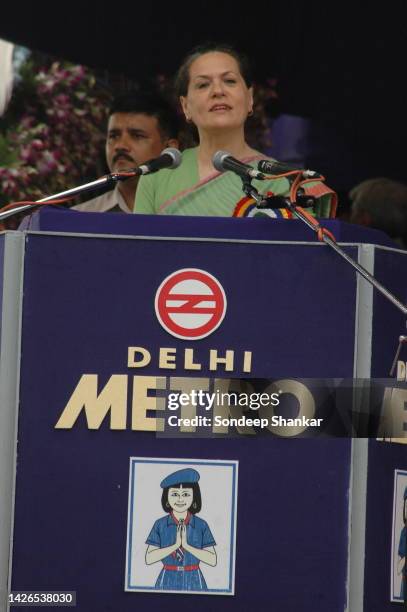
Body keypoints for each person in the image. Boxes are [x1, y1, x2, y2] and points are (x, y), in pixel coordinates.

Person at [134, 43, 336, 218]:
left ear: (249, 99)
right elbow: (140, 256)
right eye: (203, 85)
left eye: (229, 81)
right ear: (186, 106)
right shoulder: (156, 177)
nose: (218, 91)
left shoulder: (286, 181)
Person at [74, 91, 179, 213]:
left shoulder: (191, 210)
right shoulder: (82, 218)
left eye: (137, 136)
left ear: (169, 148)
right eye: (114, 136)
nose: (120, 146)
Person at [145, 467, 216, 591]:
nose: (180, 499)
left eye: (186, 494)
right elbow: (149, 558)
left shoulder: (201, 525)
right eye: (175, 494)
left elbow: (213, 560)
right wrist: (176, 545)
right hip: (167, 578)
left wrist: (186, 546)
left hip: (194, 579)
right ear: (166, 496)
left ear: (194, 496)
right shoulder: (160, 524)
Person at [349, 177, 407, 248]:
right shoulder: (400, 254)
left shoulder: (348, 254)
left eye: (353, 212)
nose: (351, 218)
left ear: (364, 219)